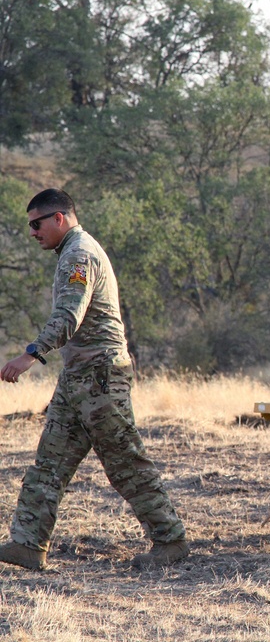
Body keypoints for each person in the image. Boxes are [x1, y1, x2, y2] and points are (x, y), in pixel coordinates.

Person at [0, 189, 188, 571]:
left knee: (125, 463)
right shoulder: (70, 252)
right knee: (49, 464)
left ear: (59, 218)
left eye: (37, 224)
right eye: (29, 226)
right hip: (79, 377)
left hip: (101, 376)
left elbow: (69, 316)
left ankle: (170, 541)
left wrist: (30, 354)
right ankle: (27, 545)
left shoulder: (78, 254)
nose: (33, 232)